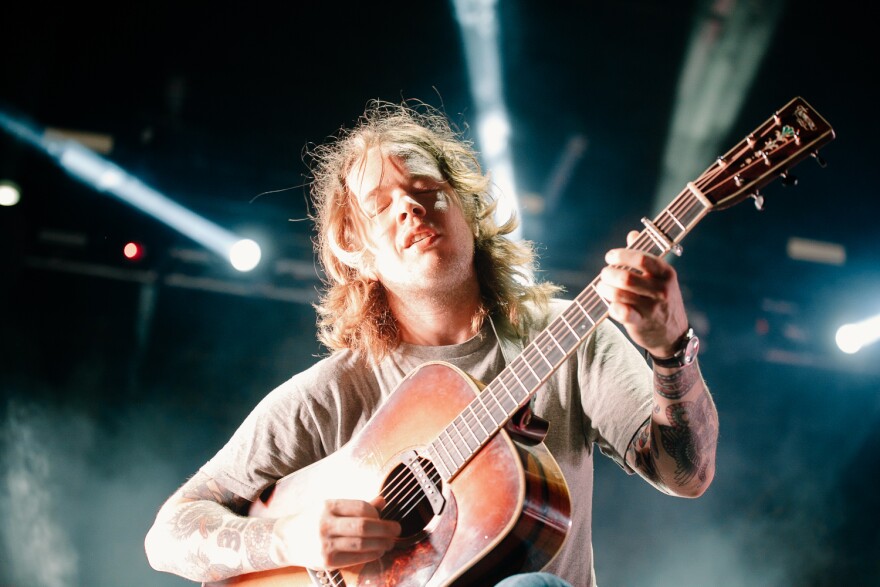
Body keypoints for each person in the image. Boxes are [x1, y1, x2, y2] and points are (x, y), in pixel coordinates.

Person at [144, 100, 719, 587]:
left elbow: (686, 475)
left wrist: (671, 350)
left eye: (426, 188)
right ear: (356, 252)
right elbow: (167, 535)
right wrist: (291, 539)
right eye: (381, 206)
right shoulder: (330, 395)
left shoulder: (569, 336)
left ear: (469, 209)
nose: (411, 207)